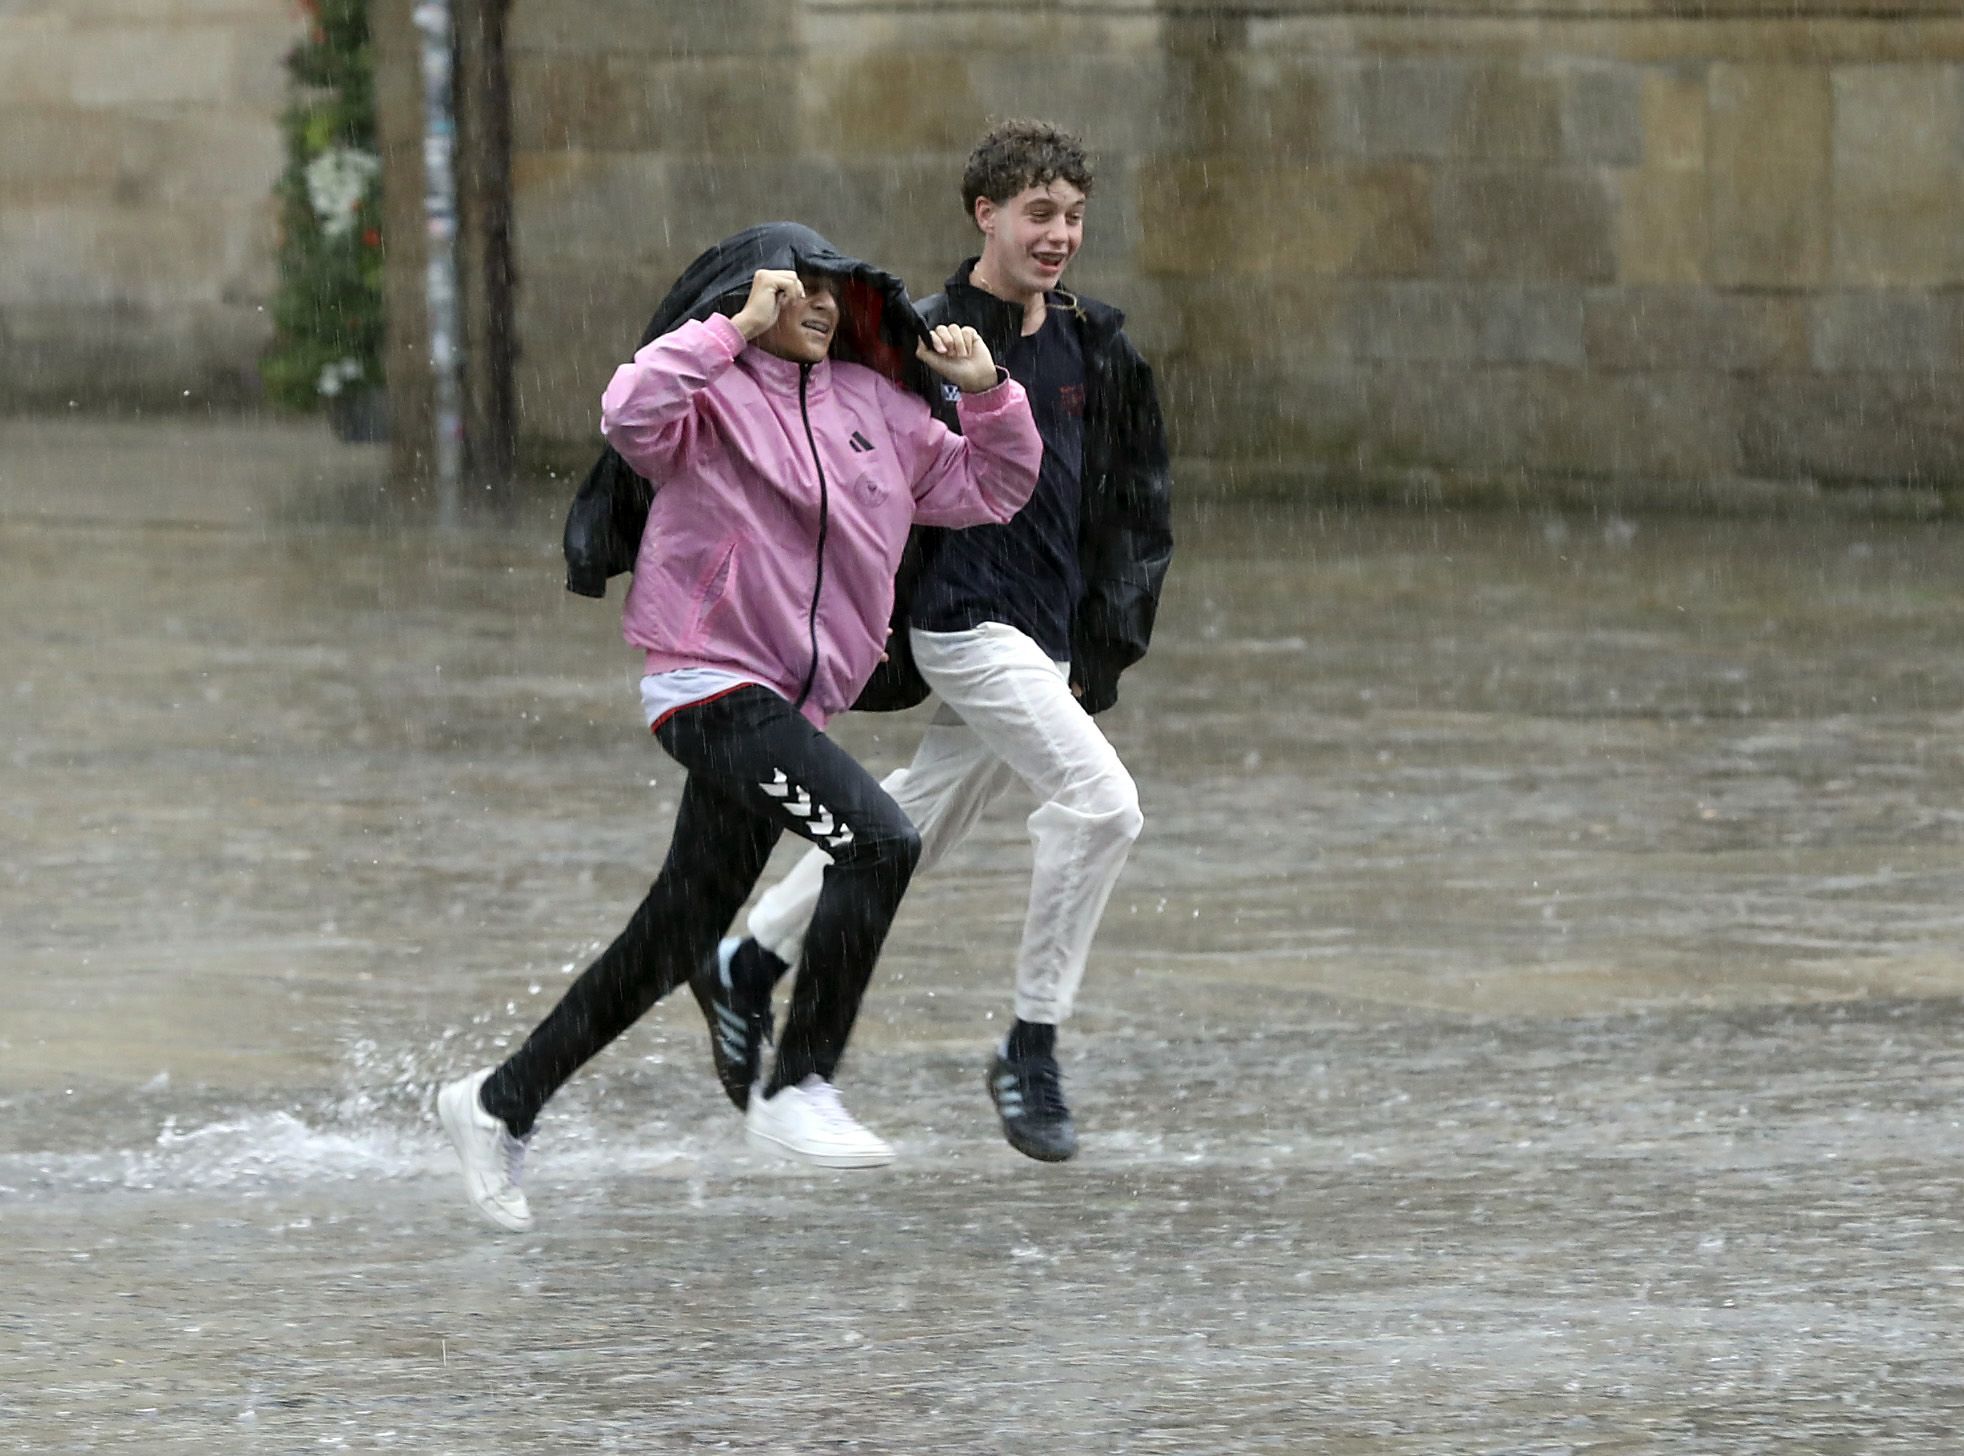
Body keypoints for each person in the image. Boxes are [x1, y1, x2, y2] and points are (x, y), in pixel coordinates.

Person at [437, 223, 1041, 1230]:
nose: (812, 304)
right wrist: (726, 332)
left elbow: (990, 489)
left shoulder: (877, 409)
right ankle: (798, 1085)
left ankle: (497, 1101)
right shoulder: (708, 397)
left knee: (674, 932)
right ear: (749, 297)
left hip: (789, 704)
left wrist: (987, 393)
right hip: (706, 682)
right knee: (881, 837)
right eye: (789, 288)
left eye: (828, 292)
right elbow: (628, 412)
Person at [694, 123, 1173, 1163]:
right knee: (1104, 807)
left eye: (1074, 216)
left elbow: (1136, 507)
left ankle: (747, 959)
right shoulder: (921, 335)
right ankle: (1029, 1043)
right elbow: (835, 459)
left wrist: (1105, 644)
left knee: (909, 828)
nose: (1059, 235)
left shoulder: (1098, 345)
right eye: (1038, 213)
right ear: (985, 214)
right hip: (958, 621)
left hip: (1043, 638)